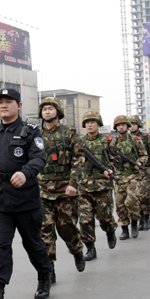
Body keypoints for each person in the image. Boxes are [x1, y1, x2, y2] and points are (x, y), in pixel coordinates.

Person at [0, 88, 52, 299]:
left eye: (8, 101)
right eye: (0, 102)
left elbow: (39, 158)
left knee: (33, 243)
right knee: (0, 247)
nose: (4, 105)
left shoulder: (31, 131)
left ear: (18, 105)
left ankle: (44, 275)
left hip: (25, 199)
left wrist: (26, 173)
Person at [37, 97, 86, 283]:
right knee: (45, 231)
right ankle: (49, 269)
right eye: (44, 109)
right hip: (42, 191)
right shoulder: (36, 134)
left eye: (50, 109)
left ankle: (77, 251)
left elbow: (79, 159)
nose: (47, 112)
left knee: (67, 228)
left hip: (66, 190)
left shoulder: (70, 133)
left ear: (58, 111)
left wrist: (73, 183)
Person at [78, 111, 118, 261]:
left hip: (103, 186)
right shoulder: (80, 143)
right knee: (85, 220)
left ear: (98, 124)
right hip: (84, 187)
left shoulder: (107, 141)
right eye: (87, 122)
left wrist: (110, 169)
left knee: (105, 217)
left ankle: (110, 231)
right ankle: (90, 248)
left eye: (92, 122)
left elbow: (116, 160)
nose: (89, 124)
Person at [108, 115, 148, 240]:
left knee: (132, 201)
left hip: (133, 176)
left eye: (123, 125)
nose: (121, 127)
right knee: (120, 204)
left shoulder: (135, 140)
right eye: (119, 125)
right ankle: (124, 229)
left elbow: (144, 155)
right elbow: (108, 158)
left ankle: (134, 224)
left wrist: (140, 163)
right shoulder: (113, 142)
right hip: (119, 177)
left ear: (127, 126)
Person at [129, 116, 150, 231]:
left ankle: (146, 218)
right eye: (129, 124)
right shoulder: (126, 139)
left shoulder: (146, 137)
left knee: (145, 195)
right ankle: (138, 219)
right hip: (132, 171)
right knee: (134, 196)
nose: (131, 127)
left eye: (134, 124)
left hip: (146, 169)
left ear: (138, 125)